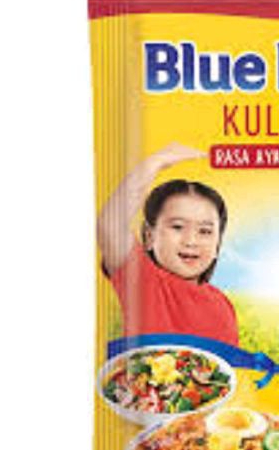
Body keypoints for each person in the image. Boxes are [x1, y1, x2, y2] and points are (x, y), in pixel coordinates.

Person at [97, 143, 238, 346]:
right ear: (149, 236)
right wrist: (156, 162)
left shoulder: (222, 304)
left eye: (205, 231)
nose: (191, 241)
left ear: (218, 244)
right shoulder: (144, 280)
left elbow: (229, 363)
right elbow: (110, 224)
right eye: (177, 227)